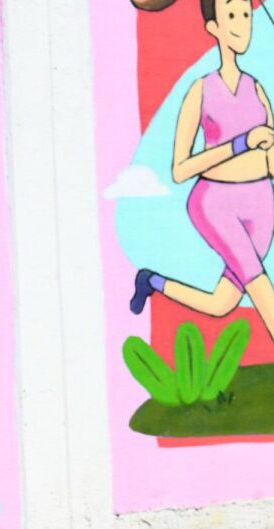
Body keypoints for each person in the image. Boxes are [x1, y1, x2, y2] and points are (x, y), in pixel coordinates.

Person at [130, 0, 274, 339]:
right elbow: (181, 170)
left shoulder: (256, 88)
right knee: (266, 297)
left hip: (261, 207)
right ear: (214, 28)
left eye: (245, 14)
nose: (242, 23)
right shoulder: (201, 90)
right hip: (216, 205)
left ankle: (151, 281)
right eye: (232, 15)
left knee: (221, 304)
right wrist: (241, 143)